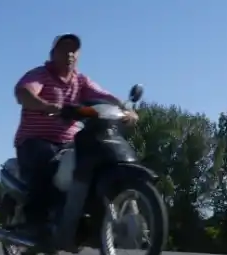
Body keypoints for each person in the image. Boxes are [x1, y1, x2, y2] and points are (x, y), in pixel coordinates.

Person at [13, 33, 138, 243]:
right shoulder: (40, 75)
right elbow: (23, 92)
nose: (70, 54)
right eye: (64, 49)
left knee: (95, 159)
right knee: (45, 164)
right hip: (35, 139)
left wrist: (125, 108)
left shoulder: (80, 81)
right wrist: (45, 105)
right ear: (53, 54)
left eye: (74, 50)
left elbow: (104, 95)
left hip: (68, 142)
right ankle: (33, 223)